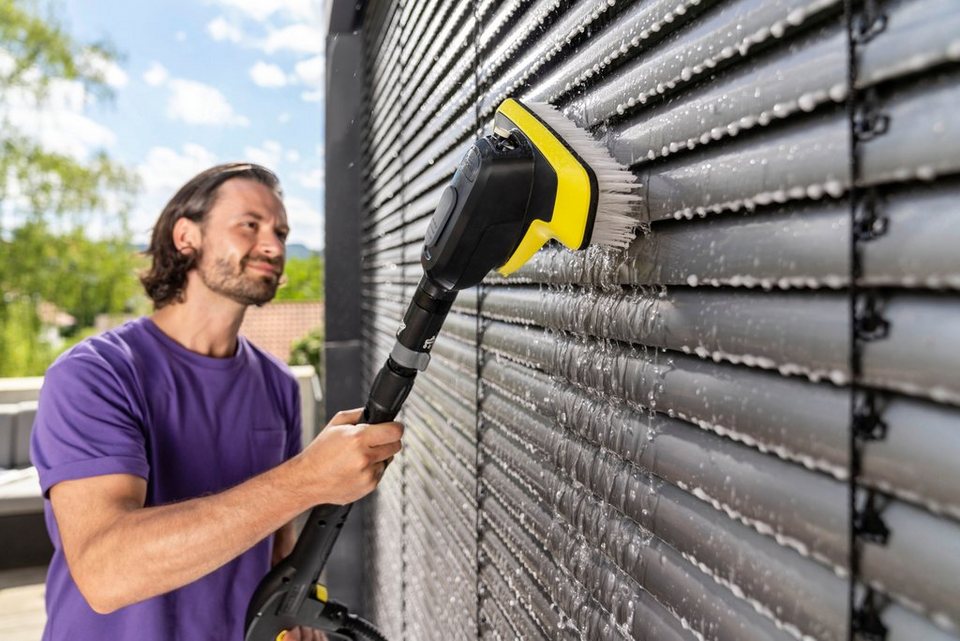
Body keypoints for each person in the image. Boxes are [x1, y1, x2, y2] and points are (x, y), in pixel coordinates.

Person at [30, 163, 401, 641]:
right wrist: (306, 480)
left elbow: (277, 550)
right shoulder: (95, 374)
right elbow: (105, 573)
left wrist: (292, 612)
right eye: (250, 225)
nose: (273, 246)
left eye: (281, 232)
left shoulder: (277, 384)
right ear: (187, 236)